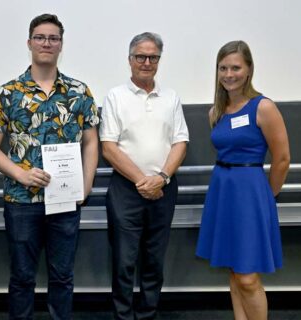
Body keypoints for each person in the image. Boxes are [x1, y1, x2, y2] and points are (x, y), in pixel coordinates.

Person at [0, 13, 99, 320]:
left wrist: (85, 186)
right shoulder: (7, 94)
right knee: (22, 278)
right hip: (22, 201)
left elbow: (90, 142)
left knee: (62, 277)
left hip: (65, 200)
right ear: (29, 43)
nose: (46, 43)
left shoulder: (79, 92)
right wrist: (20, 173)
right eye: (40, 37)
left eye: (53, 38)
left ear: (61, 44)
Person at [196, 40, 290, 320]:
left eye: (235, 67)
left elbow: (282, 159)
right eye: (223, 68)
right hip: (223, 192)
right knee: (235, 271)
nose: (228, 74)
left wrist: (265, 197)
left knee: (248, 277)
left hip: (250, 193)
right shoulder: (216, 112)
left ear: (248, 70)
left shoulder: (264, 107)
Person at [99, 32, 189, 320]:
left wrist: (161, 177)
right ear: (130, 60)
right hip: (126, 189)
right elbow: (109, 148)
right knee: (124, 260)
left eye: (153, 57)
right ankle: (123, 315)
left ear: (159, 61)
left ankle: (148, 313)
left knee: (154, 258)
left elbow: (180, 143)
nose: (146, 62)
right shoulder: (115, 96)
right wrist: (142, 180)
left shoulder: (171, 97)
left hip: (164, 187)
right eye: (141, 56)